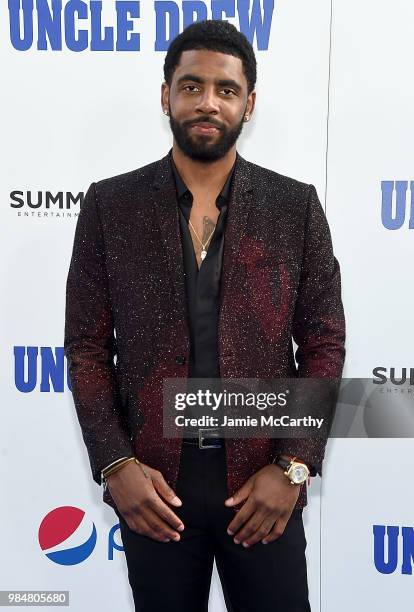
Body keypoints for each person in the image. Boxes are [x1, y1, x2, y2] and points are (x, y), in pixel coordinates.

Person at [64, 19, 345, 612]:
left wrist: (292, 467)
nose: (208, 102)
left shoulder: (294, 206)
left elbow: (323, 344)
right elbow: (86, 347)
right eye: (191, 86)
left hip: (260, 477)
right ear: (165, 95)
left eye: (225, 89)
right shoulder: (111, 206)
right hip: (154, 483)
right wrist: (117, 466)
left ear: (249, 104)